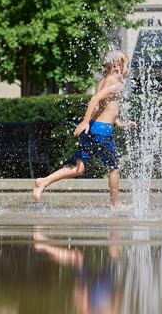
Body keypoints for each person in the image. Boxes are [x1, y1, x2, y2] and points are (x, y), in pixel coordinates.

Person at [32, 50, 135, 210]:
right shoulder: (117, 85)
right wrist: (85, 121)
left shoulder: (103, 81)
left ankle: (43, 181)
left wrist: (118, 122)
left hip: (93, 128)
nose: (127, 70)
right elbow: (95, 99)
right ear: (117, 66)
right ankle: (116, 205)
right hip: (101, 131)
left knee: (78, 169)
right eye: (126, 66)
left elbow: (104, 106)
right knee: (114, 167)